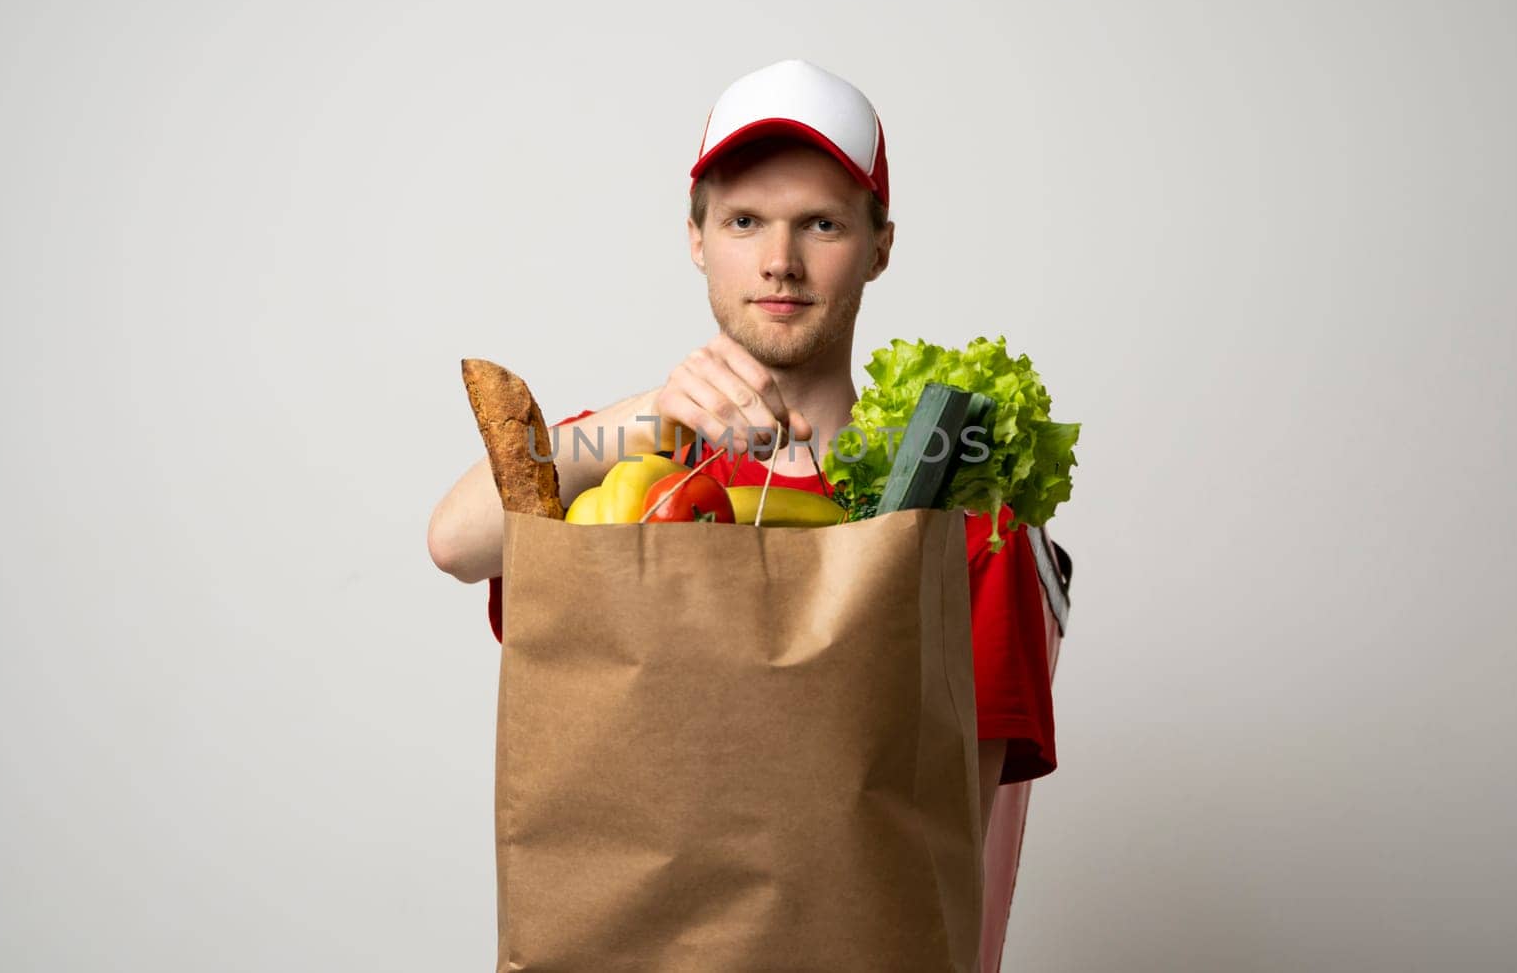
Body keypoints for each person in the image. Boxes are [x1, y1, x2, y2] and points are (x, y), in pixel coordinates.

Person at [427, 58, 1056, 846]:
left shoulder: (965, 510)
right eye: (744, 221)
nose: (779, 261)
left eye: (822, 223)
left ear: (880, 247)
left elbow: (949, 835)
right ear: (696, 238)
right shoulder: (631, 460)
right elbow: (456, 539)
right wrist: (649, 413)